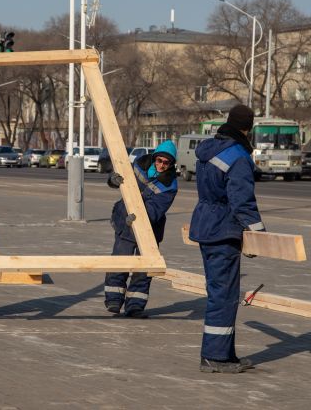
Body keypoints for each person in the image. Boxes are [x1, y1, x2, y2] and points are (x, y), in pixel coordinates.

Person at [189, 104, 264, 374]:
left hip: (205, 224)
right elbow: (242, 200)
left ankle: (225, 353)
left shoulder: (209, 149)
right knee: (223, 295)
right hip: (223, 229)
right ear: (248, 127)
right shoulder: (239, 156)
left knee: (222, 293)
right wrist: (257, 232)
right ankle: (214, 357)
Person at [104, 140, 178, 318]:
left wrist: (137, 217)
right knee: (120, 261)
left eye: (166, 163)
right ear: (154, 159)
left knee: (143, 269)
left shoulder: (170, 185)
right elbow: (119, 178)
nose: (161, 165)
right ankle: (114, 300)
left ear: (171, 164)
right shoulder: (138, 165)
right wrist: (113, 180)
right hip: (124, 222)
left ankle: (135, 306)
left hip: (149, 229)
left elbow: (155, 210)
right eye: (159, 161)